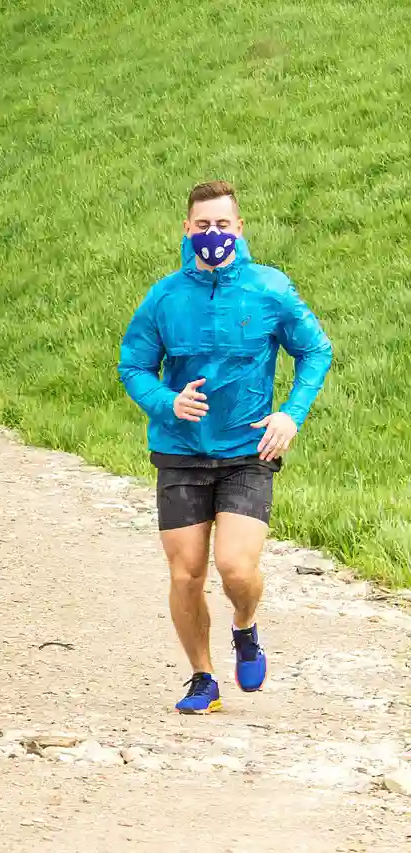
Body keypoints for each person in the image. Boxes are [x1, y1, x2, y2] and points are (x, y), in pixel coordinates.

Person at [117, 180, 333, 714]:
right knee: (186, 574)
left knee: (235, 569)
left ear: (239, 228)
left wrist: (291, 413)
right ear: (187, 231)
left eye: (222, 224)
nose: (212, 234)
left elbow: (316, 351)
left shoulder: (270, 289)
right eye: (202, 225)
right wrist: (166, 402)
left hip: (247, 451)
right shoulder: (164, 297)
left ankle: (245, 626)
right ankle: (202, 679)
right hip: (181, 450)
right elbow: (134, 365)